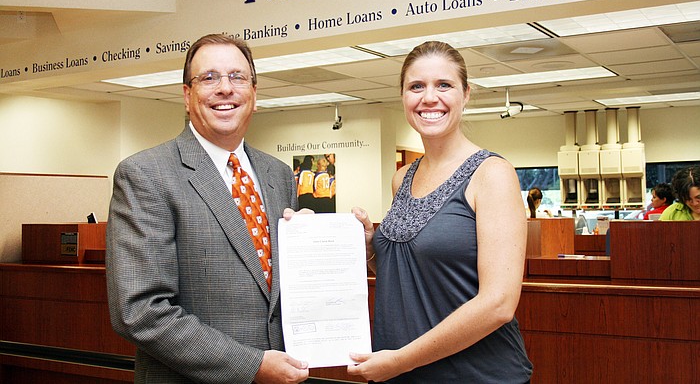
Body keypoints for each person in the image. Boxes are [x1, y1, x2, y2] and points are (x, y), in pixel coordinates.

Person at [105, 33, 309, 384]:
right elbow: (139, 311)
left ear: (254, 94)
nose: (225, 88)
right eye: (209, 77)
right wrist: (251, 366)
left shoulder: (278, 175)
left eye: (237, 77)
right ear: (187, 95)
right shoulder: (145, 174)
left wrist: (310, 245)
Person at [347, 41, 532, 383]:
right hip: (401, 371)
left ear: (466, 94)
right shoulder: (402, 177)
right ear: (403, 96)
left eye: (444, 85)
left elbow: (499, 304)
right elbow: (417, 274)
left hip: (475, 376)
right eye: (416, 86)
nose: (429, 98)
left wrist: (401, 360)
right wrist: (371, 246)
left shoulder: (492, 174)